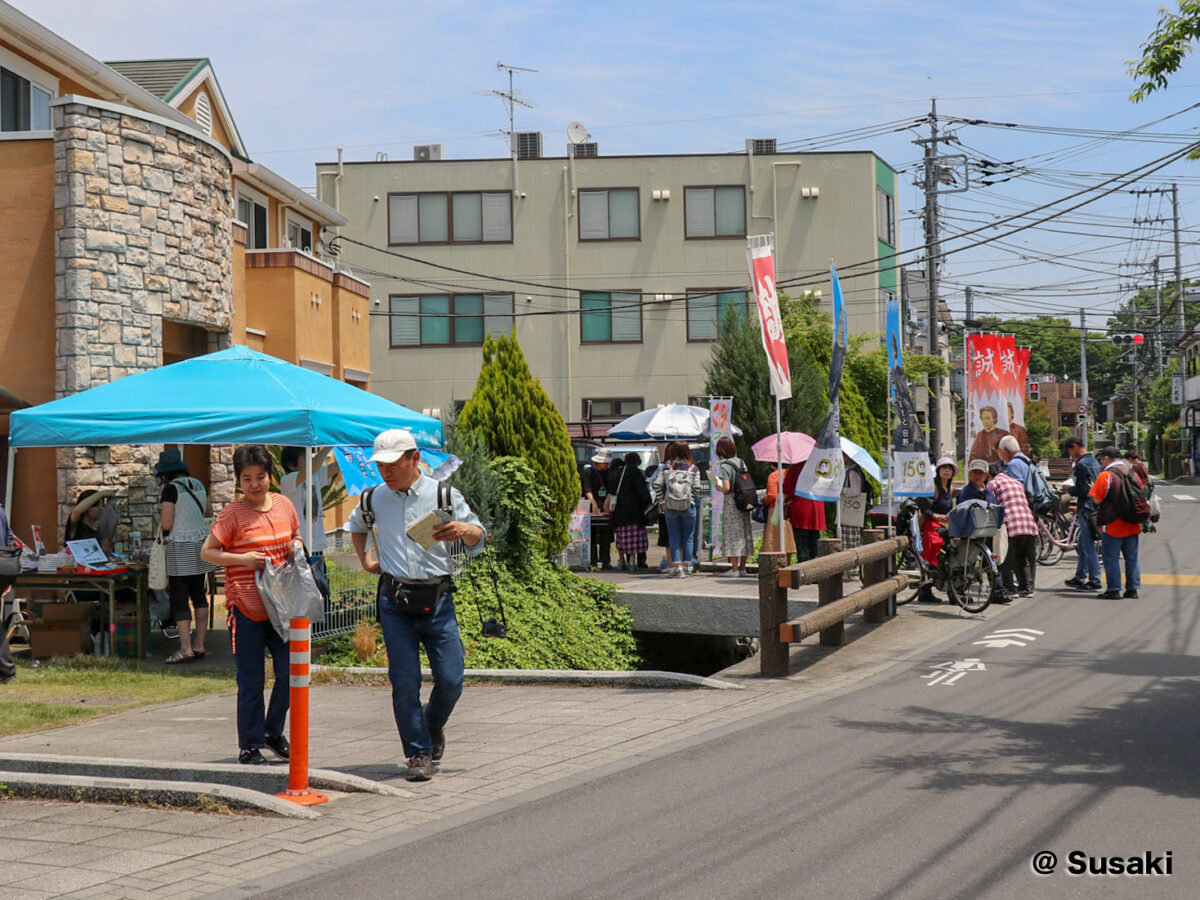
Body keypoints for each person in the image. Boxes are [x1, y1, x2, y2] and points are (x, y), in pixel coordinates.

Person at [347, 429, 486, 782]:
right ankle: (417, 753)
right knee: (404, 682)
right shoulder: (373, 499)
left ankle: (431, 724)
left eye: (394, 463)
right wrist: (364, 559)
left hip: (437, 598)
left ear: (414, 459)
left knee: (452, 680)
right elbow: (356, 524)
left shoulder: (443, 494)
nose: (386, 472)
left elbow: (479, 535)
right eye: (381, 465)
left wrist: (462, 531)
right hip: (394, 599)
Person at [201, 445, 299, 765]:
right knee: (251, 680)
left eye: (260, 477)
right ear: (238, 481)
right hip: (246, 607)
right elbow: (208, 552)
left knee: (290, 674)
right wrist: (242, 559)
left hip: (282, 608)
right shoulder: (232, 513)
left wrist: (296, 546)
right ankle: (250, 744)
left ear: (271, 476)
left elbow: (295, 535)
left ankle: (272, 732)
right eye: (247, 478)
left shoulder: (285, 505)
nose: (255, 484)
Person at [155, 450, 216, 665]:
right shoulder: (198, 484)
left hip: (180, 548)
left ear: (164, 474)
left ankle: (185, 648)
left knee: (180, 599)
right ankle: (199, 644)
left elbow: (166, 524)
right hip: (200, 545)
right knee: (199, 596)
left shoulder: (171, 490)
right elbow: (208, 512)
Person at [1089, 446, 1142, 600]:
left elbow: (1097, 499)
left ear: (1106, 458)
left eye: (1101, 459)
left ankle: (1113, 589)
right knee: (1132, 557)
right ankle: (1132, 589)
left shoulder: (1106, 475)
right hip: (1132, 522)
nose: (1101, 462)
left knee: (1110, 557)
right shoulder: (1133, 473)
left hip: (1113, 523)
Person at [988, 464, 1038, 600]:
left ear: (989, 475)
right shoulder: (1016, 483)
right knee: (1023, 558)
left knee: (1005, 558)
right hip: (1028, 523)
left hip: (1011, 524)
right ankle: (1027, 589)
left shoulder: (993, 484)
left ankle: (1011, 588)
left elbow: (992, 505)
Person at [654, 442, 702, 578]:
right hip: (688, 507)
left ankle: (677, 567)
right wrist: (691, 498)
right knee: (688, 537)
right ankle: (687, 566)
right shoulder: (693, 468)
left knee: (674, 537)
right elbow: (697, 488)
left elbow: (657, 485)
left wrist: (662, 501)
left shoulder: (666, 467)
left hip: (670, 507)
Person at [913, 457, 956, 601]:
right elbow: (925, 508)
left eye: (949, 468)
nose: (947, 470)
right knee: (937, 552)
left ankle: (948, 588)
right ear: (938, 470)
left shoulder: (950, 488)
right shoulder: (933, 487)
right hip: (933, 525)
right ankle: (927, 589)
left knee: (952, 552)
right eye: (944, 468)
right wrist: (937, 516)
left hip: (946, 526)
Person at [710, 436, 753, 577]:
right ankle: (742, 568)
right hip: (744, 502)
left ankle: (734, 570)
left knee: (732, 535)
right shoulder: (741, 462)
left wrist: (718, 486)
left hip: (732, 504)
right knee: (744, 534)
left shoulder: (725, 466)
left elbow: (727, 488)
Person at [1063, 438, 1102, 591]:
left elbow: (1082, 490)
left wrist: (1068, 489)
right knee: (1083, 544)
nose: (1071, 455)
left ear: (1075, 447)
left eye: (1070, 451)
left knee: (1087, 545)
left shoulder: (1081, 464)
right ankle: (1080, 577)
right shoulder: (1095, 462)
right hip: (1096, 506)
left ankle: (1095, 580)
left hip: (1086, 507)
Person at [610, 452, 651, 572]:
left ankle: (621, 560)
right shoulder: (636, 473)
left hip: (620, 511)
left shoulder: (618, 473)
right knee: (634, 538)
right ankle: (632, 560)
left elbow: (612, 490)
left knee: (622, 537)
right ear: (637, 461)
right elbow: (642, 493)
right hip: (634, 512)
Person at [782, 463, 826, 564]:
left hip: (801, 508)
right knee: (814, 546)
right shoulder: (819, 466)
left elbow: (786, 489)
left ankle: (804, 576)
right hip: (817, 508)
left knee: (802, 547)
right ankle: (815, 575)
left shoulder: (795, 468)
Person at [581, 449, 613, 569]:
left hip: (605, 505)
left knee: (606, 534)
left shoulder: (608, 472)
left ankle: (605, 560)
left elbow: (610, 489)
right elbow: (587, 489)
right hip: (591, 505)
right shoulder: (588, 471)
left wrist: (607, 501)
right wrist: (593, 502)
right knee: (592, 534)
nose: (606, 465)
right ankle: (592, 560)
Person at [65, 488, 118, 555]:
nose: (101, 508)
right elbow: (76, 511)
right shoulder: (76, 526)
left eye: (102, 505)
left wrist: (108, 552)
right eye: (96, 505)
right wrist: (101, 494)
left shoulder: (102, 531)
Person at [0, 502, 17, 685]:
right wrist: (7, 579)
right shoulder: (1, 511)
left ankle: (7, 671)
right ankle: (6, 671)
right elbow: (10, 540)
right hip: (5, 566)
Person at [839, 456, 869, 550]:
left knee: (850, 541)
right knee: (852, 540)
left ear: (847, 458)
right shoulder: (854, 470)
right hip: (853, 510)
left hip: (850, 509)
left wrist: (842, 490)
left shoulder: (852, 471)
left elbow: (856, 491)